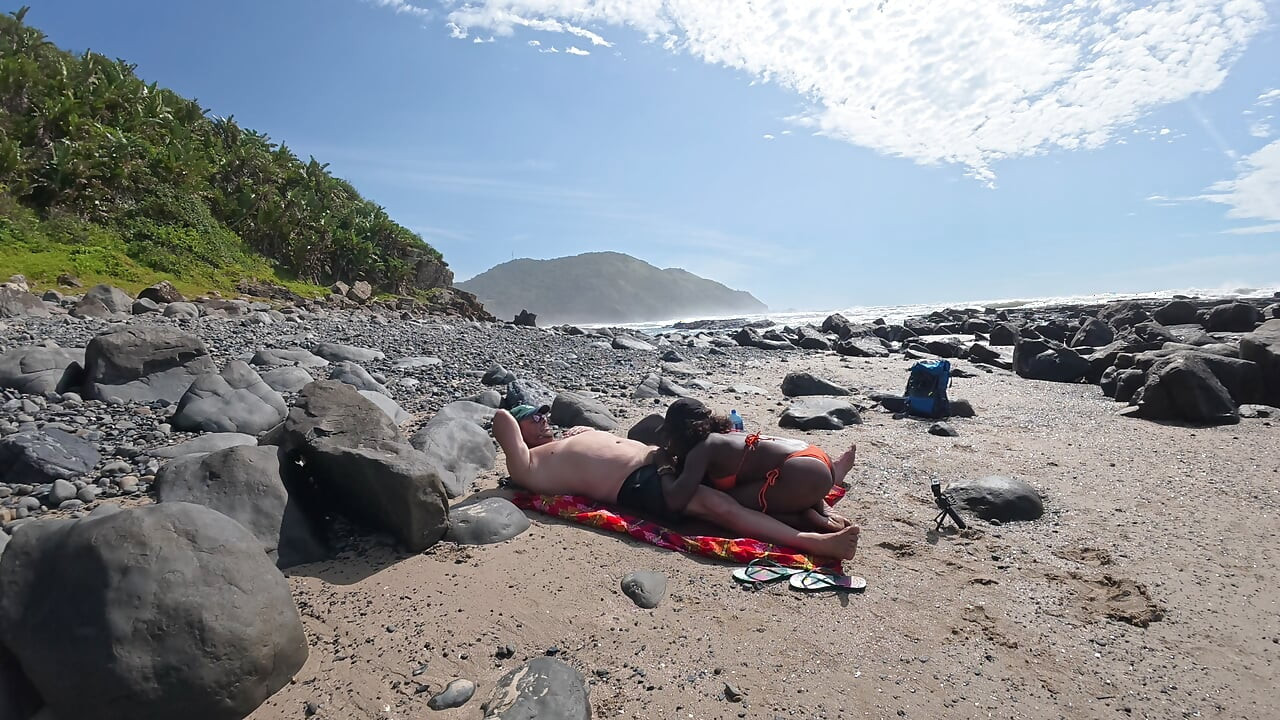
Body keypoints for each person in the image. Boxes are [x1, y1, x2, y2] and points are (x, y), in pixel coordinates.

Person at [493, 407, 859, 560]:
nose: (544, 418)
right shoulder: (528, 464)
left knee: (732, 488)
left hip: (658, 463)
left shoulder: (564, 439)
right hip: (635, 482)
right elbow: (500, 416)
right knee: (720, 507)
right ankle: (814, 542)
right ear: (519, 436)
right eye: (534, 417)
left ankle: (813, 506)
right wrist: (519, 426)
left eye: (545, 413)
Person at [657, 398, 857, 532]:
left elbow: (676, 500)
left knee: (727, 504)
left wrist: (664, 466)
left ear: (680, 433)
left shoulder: (702, 449)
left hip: (802, 473)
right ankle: (827, 495)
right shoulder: (725, 434)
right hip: (814, 457)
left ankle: (809, 520)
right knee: (755, 490)